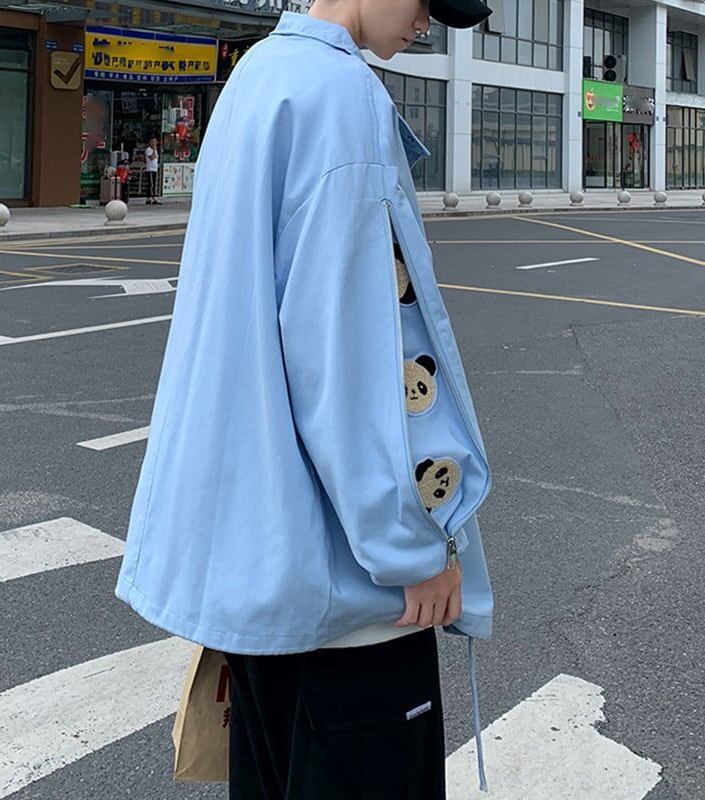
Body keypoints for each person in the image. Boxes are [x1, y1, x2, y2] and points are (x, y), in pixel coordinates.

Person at [114, 0, 495, 797]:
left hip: (261, 576)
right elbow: (357, 361)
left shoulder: (257, 76)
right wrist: (416, 549)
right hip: (349, 602)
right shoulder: (342, 96)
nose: (429, 22)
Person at [145, 137, 160, 204]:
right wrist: (154, 150)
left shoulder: (156, 150)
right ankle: (151, 197)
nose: (154, 143)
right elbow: (152, 157)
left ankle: (152, 198)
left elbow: (156, 158)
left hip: (154, 168)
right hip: (150, 169)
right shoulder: (148, 150)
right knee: (150, 184)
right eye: (153, 142)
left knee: (154, 183)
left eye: (155, 142)